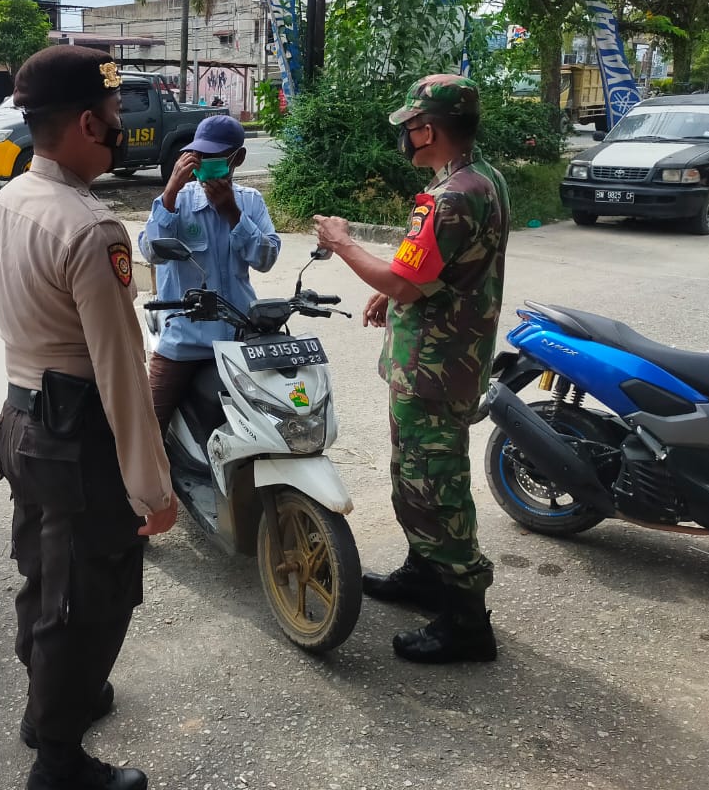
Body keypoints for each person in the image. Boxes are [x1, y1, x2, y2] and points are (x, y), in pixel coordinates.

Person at [0, 46, 178, 790]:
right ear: (90, 123)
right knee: (86, 600)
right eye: (116, 114)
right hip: (77, 433)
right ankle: (57, 762)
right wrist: (153, 493)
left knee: (44, 571)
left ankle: (51, 704)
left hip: (23, 416)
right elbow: (122, 372)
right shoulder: (92, 227)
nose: (121, 125)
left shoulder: (12, 197)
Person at [313, 74, 510, 665]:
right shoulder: (479, 178)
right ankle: (424, 575)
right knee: (415, 474)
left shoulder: (453, 196)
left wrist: (343, 244)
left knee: (434, 486)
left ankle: (467, 622)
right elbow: (426, 272)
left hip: (436, 367)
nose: (406, 136)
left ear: (428, 129)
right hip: (444, 358)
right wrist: (397, 295)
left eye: (410, 126)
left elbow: (405, 276)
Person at [138, 113, 280, 431]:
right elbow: (151, 252)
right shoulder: (176, 202)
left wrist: (232, 213)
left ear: (237, 159)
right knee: (146, 431)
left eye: (215, 158)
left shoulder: (250, 202)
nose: (205, 165)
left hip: (239, 338)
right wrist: (170, 192)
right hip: (182, 342)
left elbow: (266, 258)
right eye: (199, 157)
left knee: (270, 421)